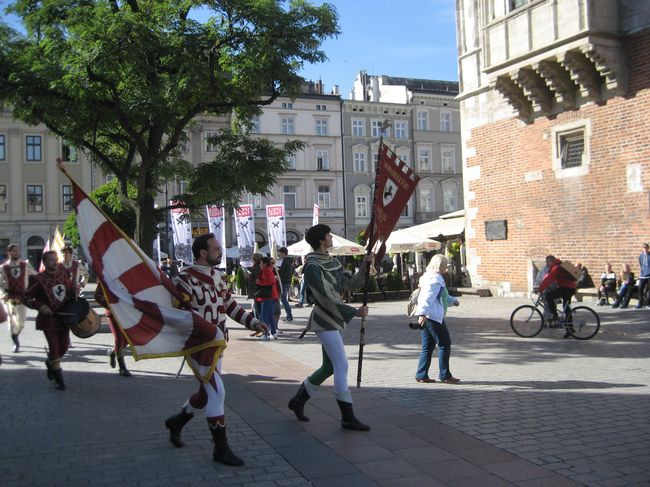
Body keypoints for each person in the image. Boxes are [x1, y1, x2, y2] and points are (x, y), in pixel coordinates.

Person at [164, 233, 268, 466]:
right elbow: (181, 314)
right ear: (203, 252)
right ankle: (221, 449)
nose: (220, 252)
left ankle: (177, 422)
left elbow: (230, 306)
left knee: (205, 394)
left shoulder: (219, 277)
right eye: (216, 248)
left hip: (218, 344)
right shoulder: (184, 278)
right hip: (198, 345)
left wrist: (253, 322)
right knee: (217, 392)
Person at [287, 224, 372, 431]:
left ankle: (298, 400)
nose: (331, 236)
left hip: (332, 319)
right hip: (324, 319)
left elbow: (349, 285)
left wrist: (365, 268)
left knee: (329, 367)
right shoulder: (313, 266)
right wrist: (353, 312)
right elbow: (325, 297)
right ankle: (347, 416)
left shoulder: (330, 261)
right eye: (328, 234)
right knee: (341, 365)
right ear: (321, 240)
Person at [23, 250, 76, 390]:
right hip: (48, 319)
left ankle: (50, 362)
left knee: (64, 346)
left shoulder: (63, 275)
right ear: (44, 263)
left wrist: (75, 291)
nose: (54, 262)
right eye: (51, 260)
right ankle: (60, 381)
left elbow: (69, 292)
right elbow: (26, 298)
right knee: (54, 346)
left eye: (55, 259)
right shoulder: (38, 279)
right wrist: (40, 306)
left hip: (63, 317)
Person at [413, 254, 461, 384]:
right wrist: (422, 313)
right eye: (446, 265)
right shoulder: (435, 279)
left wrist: (453, 301)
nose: (447, 268)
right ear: (441, 266)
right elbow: (428, 297)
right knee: (445, 344)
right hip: (433, 317)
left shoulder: (427, 277)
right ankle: (445, 375)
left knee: (427, 346)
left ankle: (421, 374)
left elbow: (442, 297)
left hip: (428, 315)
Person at [0, 244, 37, 353]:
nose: (16, 253)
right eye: (14, 251)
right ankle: (16, 342)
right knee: (12, 317)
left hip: (22, 296)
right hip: (11, 297)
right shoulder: (3, 268)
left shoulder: (25, 265)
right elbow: (0, 285)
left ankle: (16, 333)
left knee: (21, 321)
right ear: (9, 252)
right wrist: (3, 295)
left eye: (17, 251)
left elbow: (36, 275)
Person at [95, 282, 131, 377]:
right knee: (119, 339)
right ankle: (122, 367)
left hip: (128, 313)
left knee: (128, 339)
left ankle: (112, 352)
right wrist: (111, 305)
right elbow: (98, 295)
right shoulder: (106, 274)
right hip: (113, 313)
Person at [535, 255, 577, 338]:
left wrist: (539, 289)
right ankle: (570, 329)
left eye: (548, 262)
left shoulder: (555, 268)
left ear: (552, 261)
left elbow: (548, 279)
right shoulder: (558, 265)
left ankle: (555, 316)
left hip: (566, 288)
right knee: (567, 309)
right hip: (570, 288)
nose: (547, 264)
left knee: (549, 296)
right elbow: (548, 277)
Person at [255, 256, 279, 340]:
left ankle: (266, 333)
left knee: (264, 315)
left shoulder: (266, 270)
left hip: (267, 296)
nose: (260, 265)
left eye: (261, 263)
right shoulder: (268, 269)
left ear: (265, 264)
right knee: (269, 315)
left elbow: (270, 282)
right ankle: (273, 333)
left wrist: (259, 282)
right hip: (271, 296)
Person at [277, 247, 294, 322]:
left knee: (283, 299)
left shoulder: (286, 261)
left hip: (284, 282)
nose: (278, 255)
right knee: (284, 299)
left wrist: (277, 271)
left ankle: (289, 316)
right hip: (287, 282)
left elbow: (282, 272)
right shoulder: (289, 261)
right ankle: (289, 316)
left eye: (279, 253)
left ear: (283, 253)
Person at [635, 243, 650, 309]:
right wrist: (642, 272)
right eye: (644, 248)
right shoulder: (640, 256)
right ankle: (640, 303)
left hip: (649, 275)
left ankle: (648, 304)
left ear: (648, 248)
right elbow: (641, 265)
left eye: (646, 247)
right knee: (640, 289)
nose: (645, 249)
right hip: (643, 275)